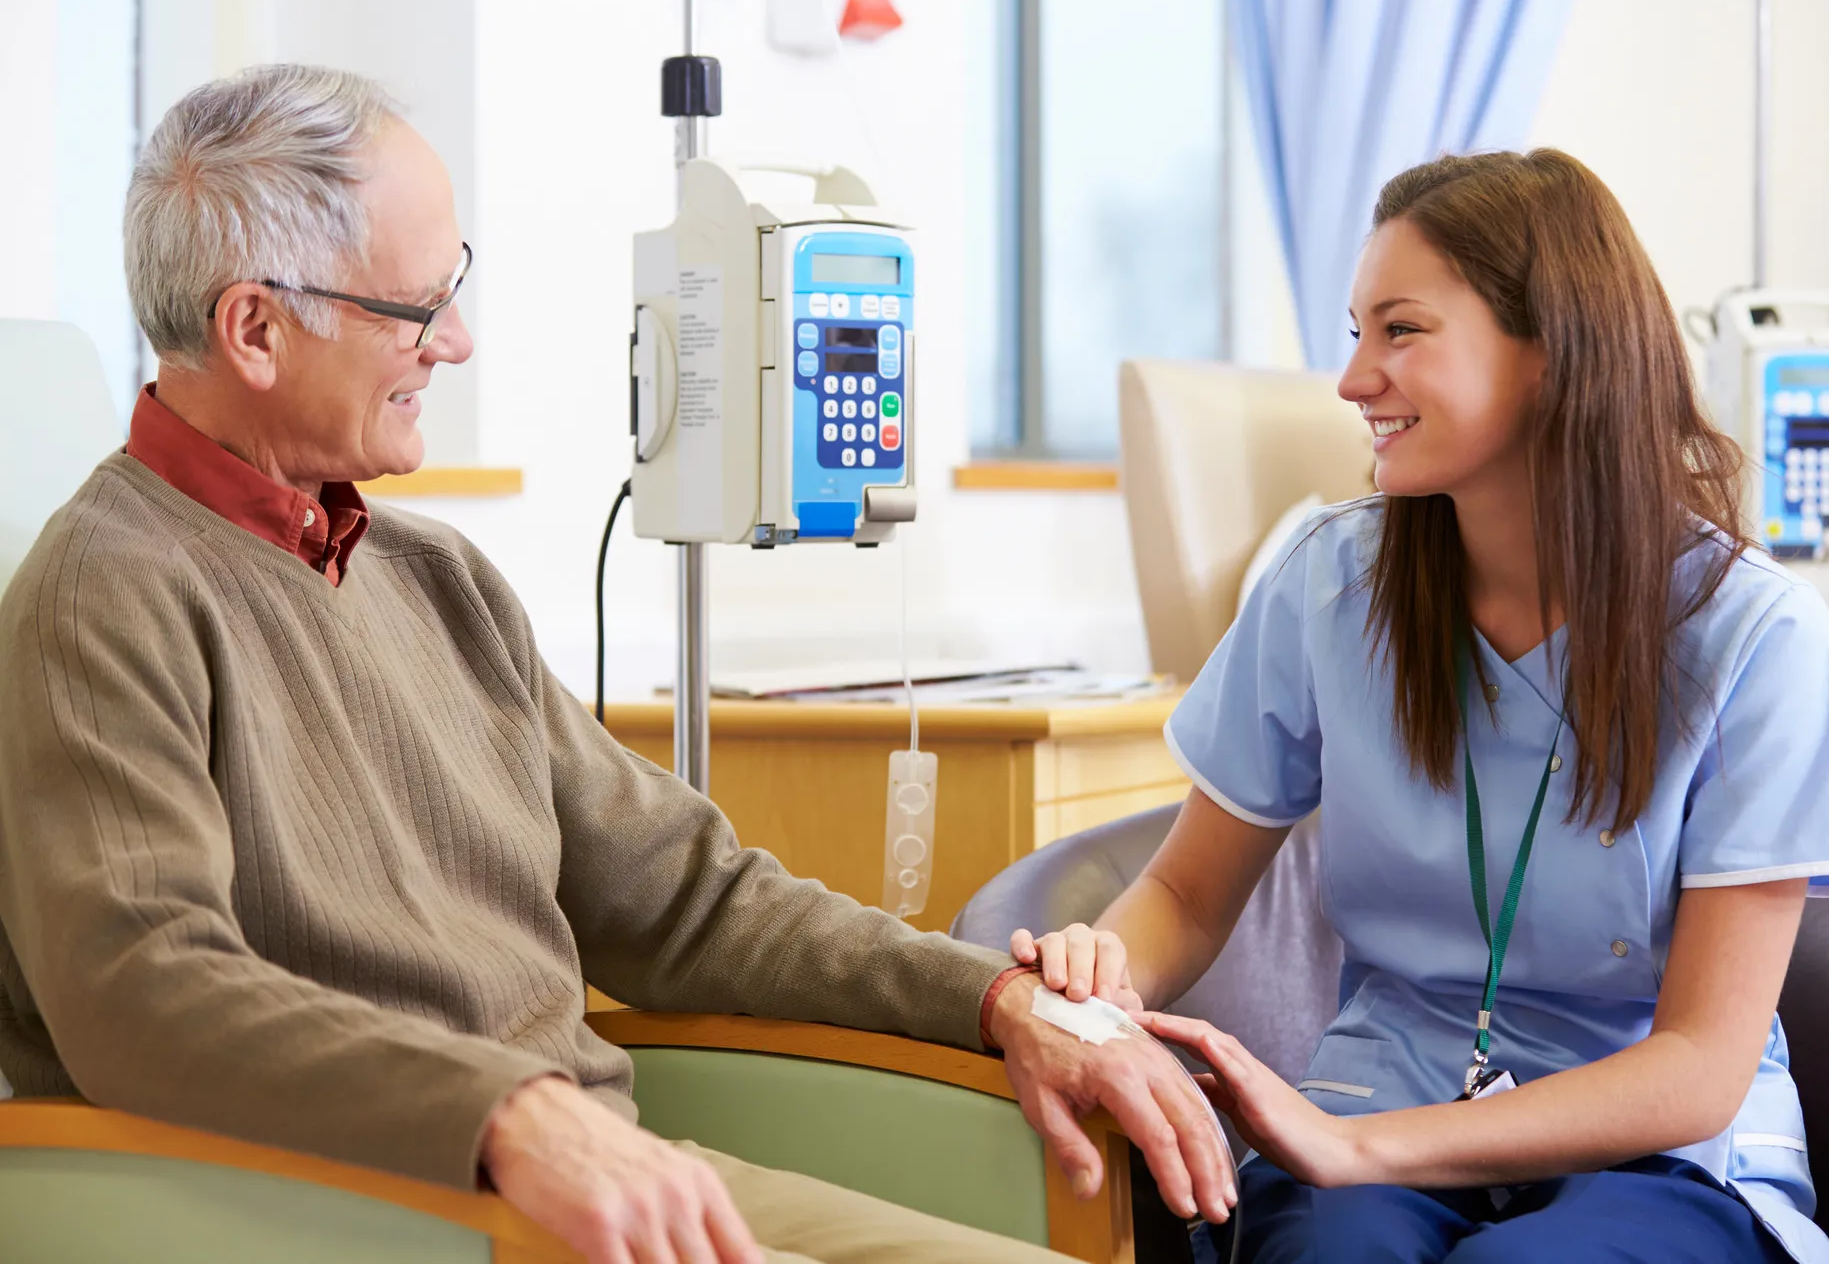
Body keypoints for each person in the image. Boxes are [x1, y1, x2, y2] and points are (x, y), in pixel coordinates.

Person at [0, 64, 1238, 1264]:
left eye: (455, 287)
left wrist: (990, 999)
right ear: (255, 329)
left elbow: (690, 900)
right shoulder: (102, 600)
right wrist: (501, 1116)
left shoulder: (436, 580)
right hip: (389, 1202)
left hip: (611, 1175)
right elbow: (141, 993)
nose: (460, 341)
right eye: (418, 308)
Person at [1013, 149, 1829, 1264]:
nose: (1352, 379)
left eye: (1398, 331)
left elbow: (1697, 1062)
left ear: (1549, 351)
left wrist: (1368, 1152)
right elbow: (1185, 894)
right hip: (1365, 1104)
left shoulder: (1750, 637)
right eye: (1355, 333)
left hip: (1651, 1153)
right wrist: (1093, 986)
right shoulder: (1327, 586)